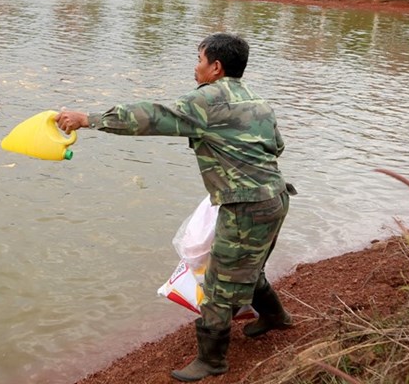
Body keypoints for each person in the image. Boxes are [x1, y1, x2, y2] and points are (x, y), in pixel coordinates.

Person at [55, 32, 294, 382]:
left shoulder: (208, 100)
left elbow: (152, 117)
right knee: (247, 265)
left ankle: (212, 360)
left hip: (246, 206)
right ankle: (275, 317)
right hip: (276, 198)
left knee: (218, 285)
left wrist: (88, 119)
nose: (195, 67)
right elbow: (276, 146)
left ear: (216, 66)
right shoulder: (257, 101)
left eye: (199, 60)